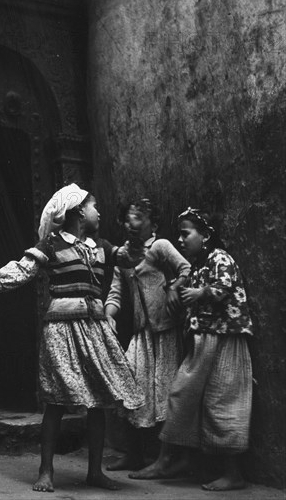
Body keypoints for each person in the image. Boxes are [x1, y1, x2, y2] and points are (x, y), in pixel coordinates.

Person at [0, 184, 144, 493]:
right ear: (79, 210)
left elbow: (129, 257)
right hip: (61, 330)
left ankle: (94, 472)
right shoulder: (52, 245)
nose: (99, 213)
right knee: (56, 400)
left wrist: (136, 233)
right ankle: (46, 470)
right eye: (95, 206)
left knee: (98, 401)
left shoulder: (101, 246)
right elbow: (21, 270)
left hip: (94, 328)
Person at [130, 207, 253, 491]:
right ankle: (172, 459)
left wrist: (200, 293)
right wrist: (177, 287)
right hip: (204, 339)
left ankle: (233, 472)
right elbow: (182, 280)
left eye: (186, 234)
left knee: (223, 401)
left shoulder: (220, 258)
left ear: (206, 235)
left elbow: (224, 286)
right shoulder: (198, 264)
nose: (181, 240)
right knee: (182, 394)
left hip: (224, 337)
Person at [104, 199, 190, 471]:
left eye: (138, 218)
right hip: (142, 335)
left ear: (152, 224)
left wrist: (176, 286)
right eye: (127, 219)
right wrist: (109, 313)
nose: (131, 224)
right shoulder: (123, 258)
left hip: (166, 333)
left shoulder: (161, 247)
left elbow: (186, 269)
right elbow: (115, 292)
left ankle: (165, 460)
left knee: (165, 392)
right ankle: (134, 453)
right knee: (128, 385)